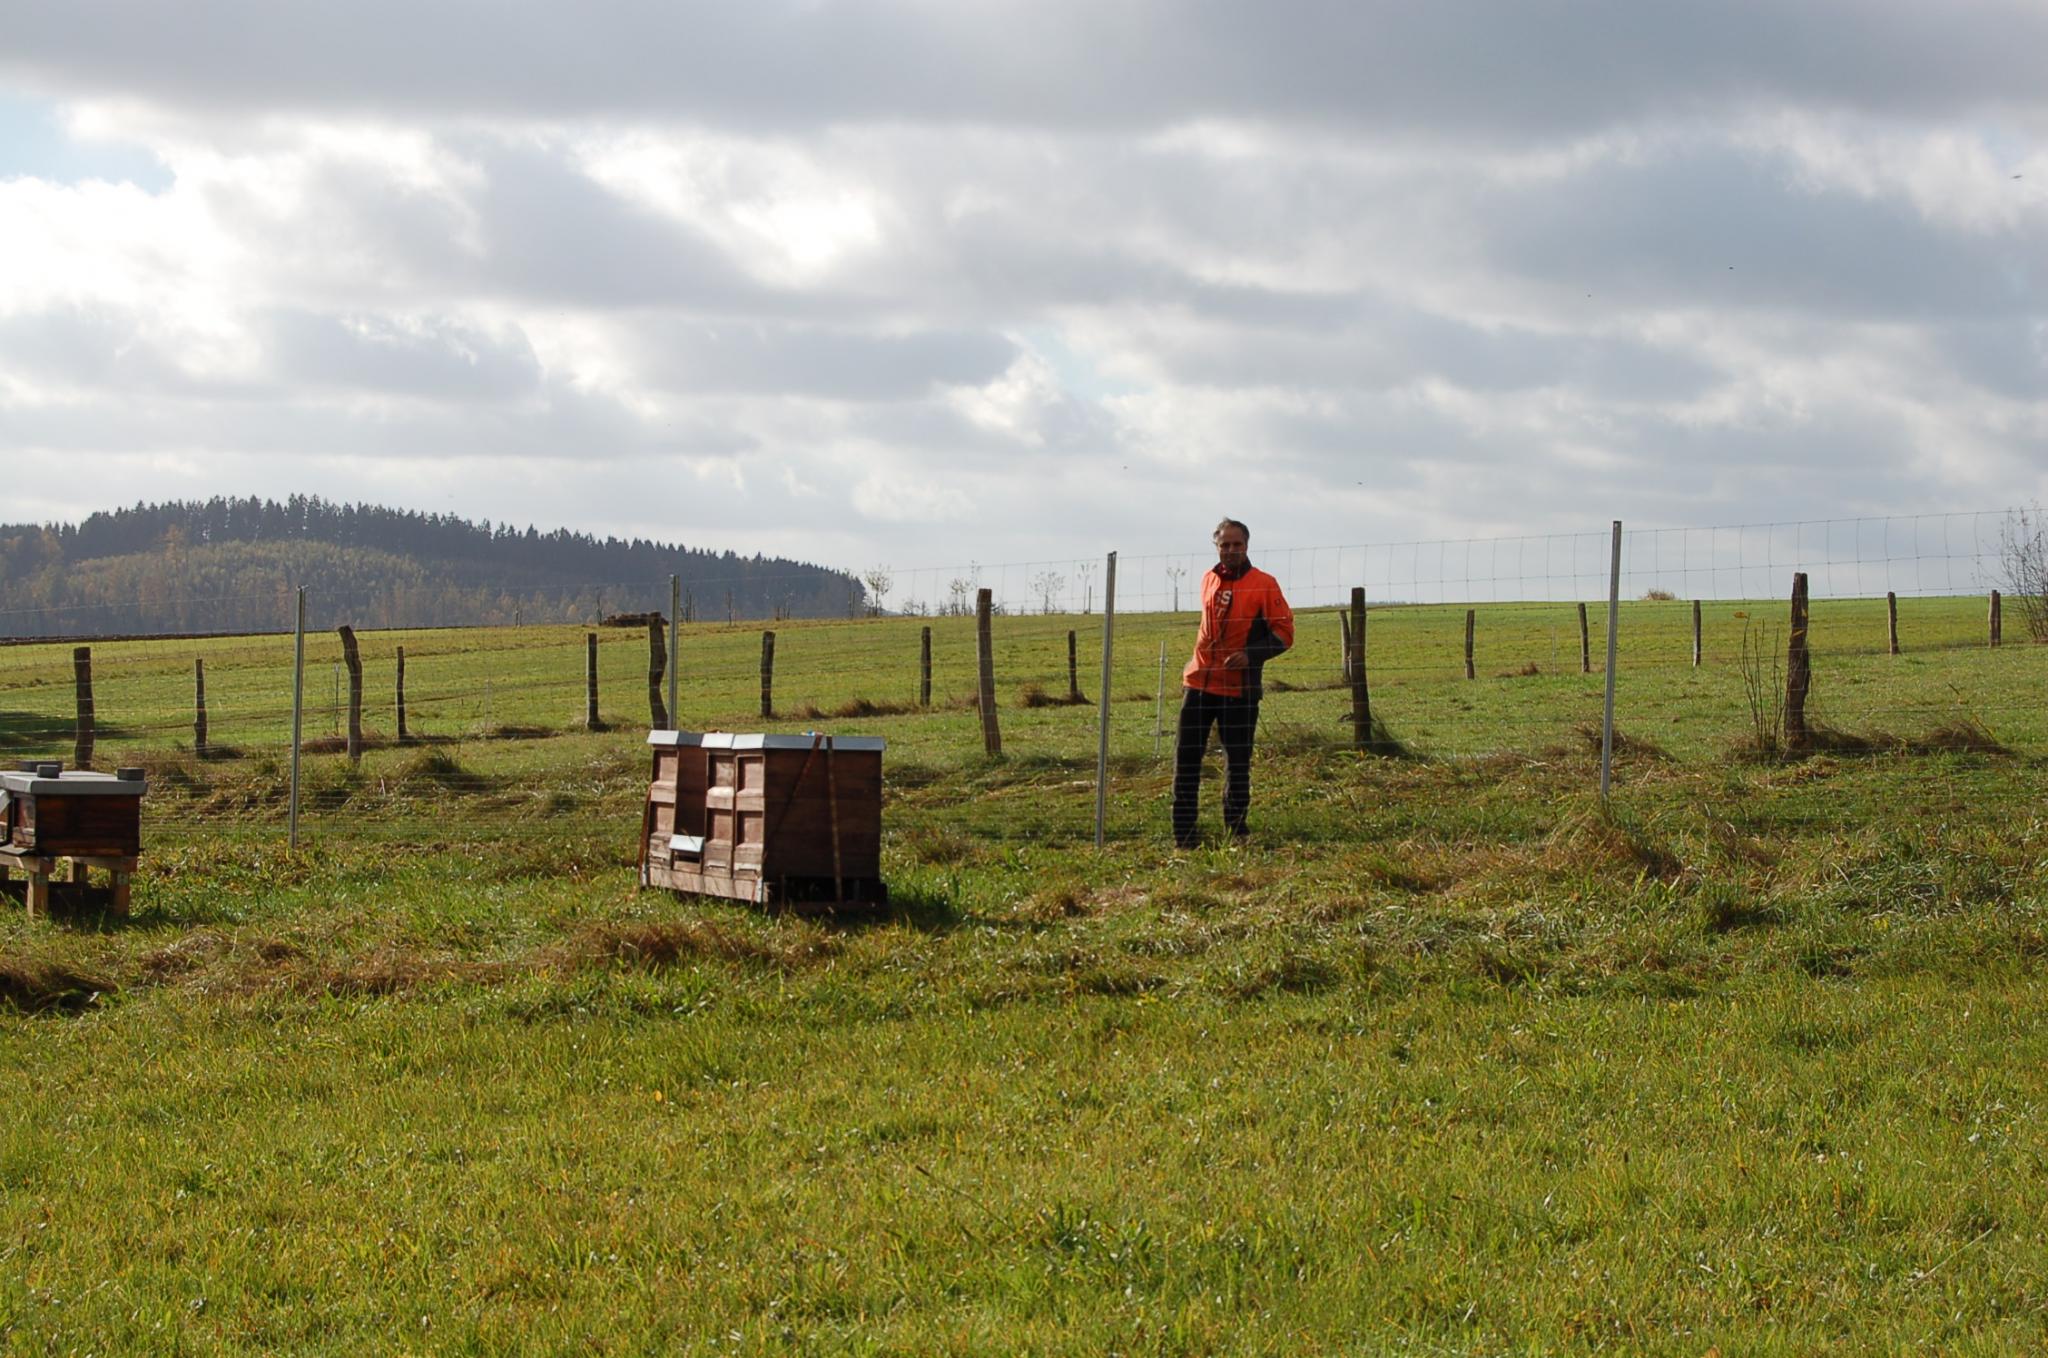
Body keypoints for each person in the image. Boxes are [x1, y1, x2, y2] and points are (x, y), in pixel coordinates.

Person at [1172, 517, 1294, 847]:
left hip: (1239, 690)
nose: (1230, 550)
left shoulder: (1264, 584)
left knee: (1237, 763)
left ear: (1247, 546)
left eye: (1236, 544)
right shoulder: (1207, 579)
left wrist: (1251, 655)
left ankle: (1237, 832)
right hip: (1198, 683)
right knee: (1186, 760)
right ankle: (1184, 836)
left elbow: (1284, 633)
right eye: (1224, 544)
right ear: (1216, 546)